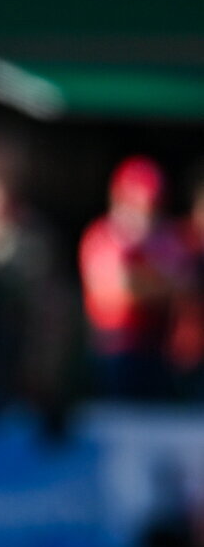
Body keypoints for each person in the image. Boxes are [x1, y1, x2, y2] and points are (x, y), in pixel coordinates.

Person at [79, 156, 188, 399]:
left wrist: (151, 281)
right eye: (137, 204)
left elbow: (186, 282)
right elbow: (121, 290)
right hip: (113, 352)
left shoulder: (165, 238)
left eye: (152, 206)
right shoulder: (102, 236)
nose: (145, 214)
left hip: (160, 351)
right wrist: (159, 281)